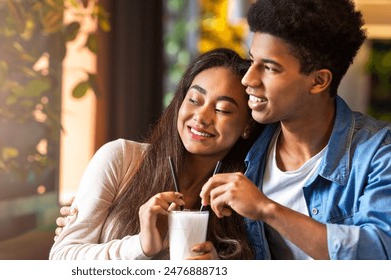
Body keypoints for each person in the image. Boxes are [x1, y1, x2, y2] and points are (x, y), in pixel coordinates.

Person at [200, 0, 391, 260]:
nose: (248, 79)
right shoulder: (246, 142)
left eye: (269, 68)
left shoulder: (378, 153)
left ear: (318, 81)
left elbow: (380, 253)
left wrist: (268, 210)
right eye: (252, 60)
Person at [49, 48, 264, 260]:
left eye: (222, 109)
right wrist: (141, 245)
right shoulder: (121, 158)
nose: (201, 117)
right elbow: (62, 258)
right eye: (194, 100)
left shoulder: (244, 201)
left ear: (247, 125)